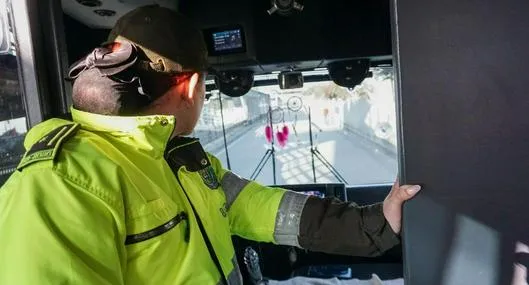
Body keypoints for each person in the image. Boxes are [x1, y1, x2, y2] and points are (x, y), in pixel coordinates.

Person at [0, 5, 421, 285]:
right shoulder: (60, 180)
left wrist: (375, 224)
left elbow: (266, 209)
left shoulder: (182, 160)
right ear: (193, 86)